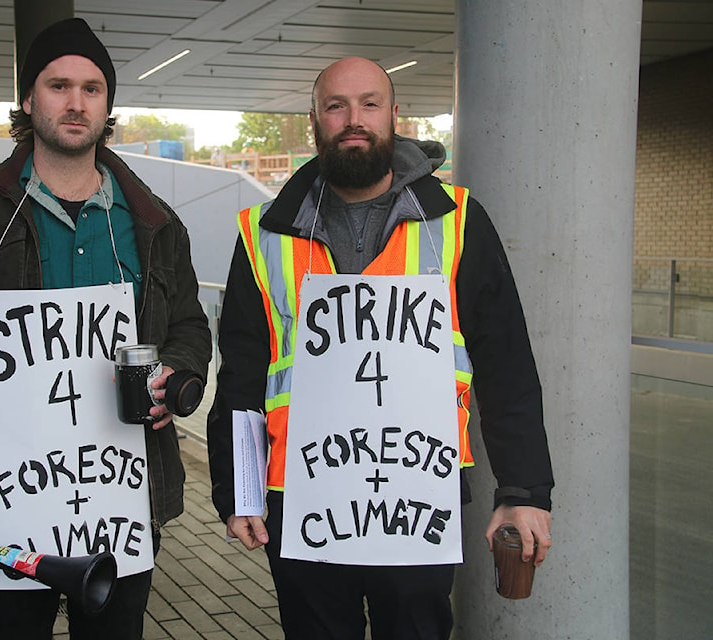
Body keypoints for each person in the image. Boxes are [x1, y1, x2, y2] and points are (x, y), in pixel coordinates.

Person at [207, 56, 554, 639]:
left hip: (420, 490)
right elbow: (243, 374)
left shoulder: (459, 221)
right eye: (336, 106)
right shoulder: (263, 233)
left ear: (395, 115)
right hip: (301, 495)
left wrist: (523, 491)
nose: (354, 119)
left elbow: (506, 363)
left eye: (370, 104)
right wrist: (238, 491)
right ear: (314, 118)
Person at [0, 17, 211, 640]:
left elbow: (191, 326)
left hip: (123, 491)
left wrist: (178, 371)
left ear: (108, 104)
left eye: (92, 88)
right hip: (13, 491)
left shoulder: (154, 221)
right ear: (28, 99)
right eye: (58, 85)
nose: (76, 102)